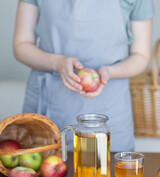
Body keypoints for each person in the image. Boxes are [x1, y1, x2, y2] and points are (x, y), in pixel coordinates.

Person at [13, 0, 154, 152]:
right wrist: (57, 63)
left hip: (110, 107)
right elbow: (21, 45)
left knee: (109, 172)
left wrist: (110, 72)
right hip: (49, 107)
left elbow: (141, 55)